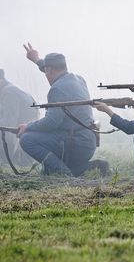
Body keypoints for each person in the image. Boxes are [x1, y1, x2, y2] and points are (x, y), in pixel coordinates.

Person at [18, 43, 96, 177]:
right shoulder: (78, 79)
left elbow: (51, 122)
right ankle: (88, 167)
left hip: (75, 144)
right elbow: (49, 68)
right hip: (88, 142)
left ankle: (64, 174)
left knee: (27, 139)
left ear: (50, 70)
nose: (46, 75)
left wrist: (28, 127)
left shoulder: (57, 88)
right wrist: (36, 60)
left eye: (46, 71)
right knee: (47, 170)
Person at [0, 65, 39, 165]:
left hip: (25, 134)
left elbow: (9, 123)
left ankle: (11, 162)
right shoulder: (7, 90)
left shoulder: (8, 92)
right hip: (23, 131)